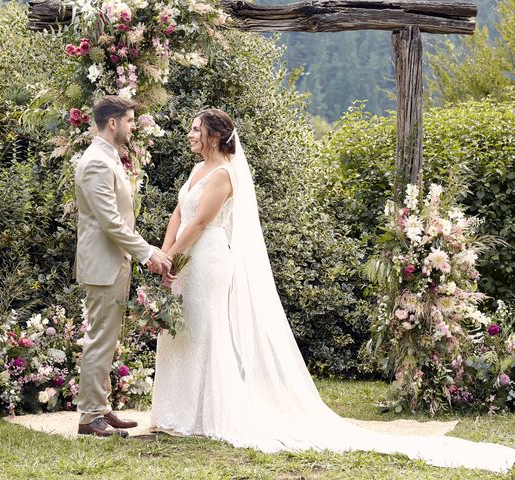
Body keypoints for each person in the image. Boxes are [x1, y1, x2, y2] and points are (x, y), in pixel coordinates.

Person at [150, 108, 515, 472]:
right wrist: (166, 255)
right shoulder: (196, 170)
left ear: (214, 136)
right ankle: (178, 409)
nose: (190, 134)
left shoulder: (224, 174)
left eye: (195, 129)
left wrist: (171, 256)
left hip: (209, 259)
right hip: (185, 258)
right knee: (186, 329)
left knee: (208, 331)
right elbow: (179, 215)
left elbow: (200, 222)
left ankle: (206, 413)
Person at [74, 95, 172, 437]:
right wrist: (148, 253)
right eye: (130, 120)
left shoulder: (108, 157)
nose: (133, 126)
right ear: (112, 123)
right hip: (103, 264)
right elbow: (111, 223)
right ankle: (89, 418)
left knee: (106, 338)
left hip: (113, 262)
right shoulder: (97, 162)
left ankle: (99, 409)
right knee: (99, 339)